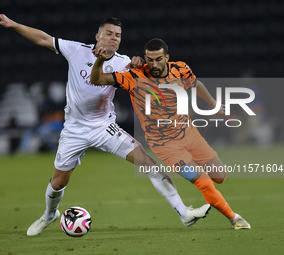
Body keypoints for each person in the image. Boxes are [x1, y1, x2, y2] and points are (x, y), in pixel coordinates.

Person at [0, 15, 211, 236]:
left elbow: (154, 75)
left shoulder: (123, 62)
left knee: (149, 163)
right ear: (98, 36)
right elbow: (44, 39)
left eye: (118, 36)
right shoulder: (76, 50)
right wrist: (14, 25)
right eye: (109, 34)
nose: (114, 38)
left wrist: (140, 63)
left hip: (105, 127)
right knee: (58, 182)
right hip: (74, 130)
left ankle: (184, 213)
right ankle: (49, 215)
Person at [90, 38, 251, 229]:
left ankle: (219, 202)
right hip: (165, 146)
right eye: (149, 60)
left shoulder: (181, 69)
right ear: (144, 59)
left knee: (219, 176)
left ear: (167, 57)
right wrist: (99, 61)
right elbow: (97, 79)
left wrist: (214, 104)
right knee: (204, 183)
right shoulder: (134, 76)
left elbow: (195, 84)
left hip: (189, 134)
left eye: (158, 59)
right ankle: (235, 219)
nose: (154, 64)